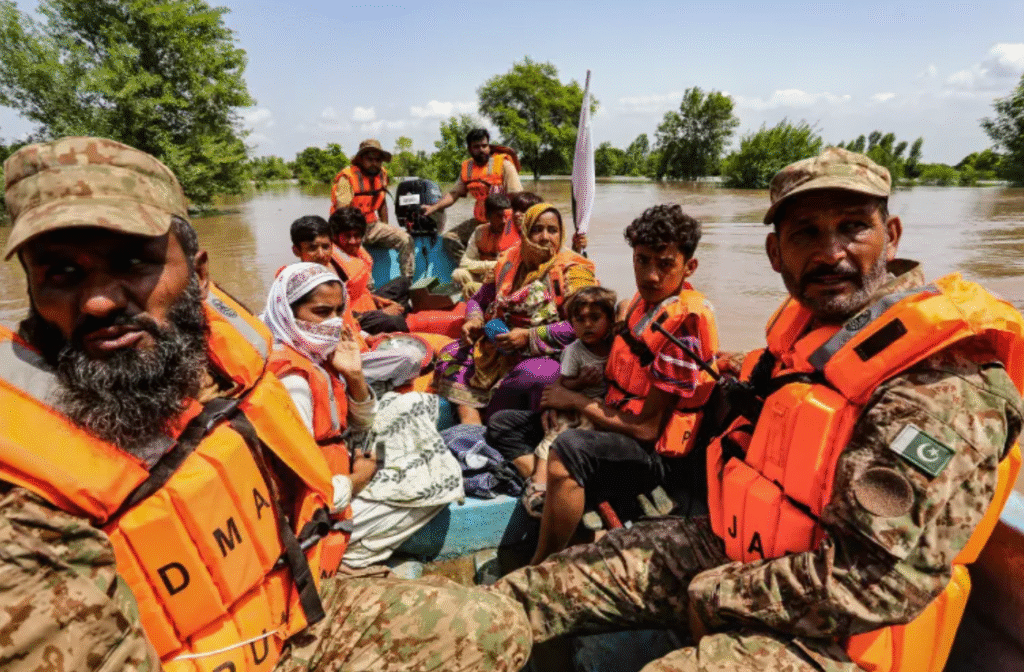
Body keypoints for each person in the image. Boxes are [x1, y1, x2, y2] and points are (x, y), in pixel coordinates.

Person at [0, 136, 531, 672]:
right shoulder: (21, 500)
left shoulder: (225, 366)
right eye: (60, 274)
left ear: (201, 274)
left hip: (287, 604)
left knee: (500, 627)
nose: (98, 301)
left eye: (134, 263)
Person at [492, 147, 1024, 671]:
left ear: (893, 236)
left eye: (853, 227)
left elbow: (877, 582)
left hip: (841, 638)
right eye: (806, 233)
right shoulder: (805, 334)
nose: (831, 252)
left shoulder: (943, 384)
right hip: (742, 545)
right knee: (528, 595)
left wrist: (719, 590)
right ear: (775, 253)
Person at [487, 204, 719, 564]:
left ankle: (541, 564)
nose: (652, 276)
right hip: (612, 417)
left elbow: (646, 430)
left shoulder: (681, 331)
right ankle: (552, 491)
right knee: (505, 424)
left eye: (665, 264)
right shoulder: (642, 306)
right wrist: (565, 398)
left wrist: (575, 402)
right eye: (642, 261)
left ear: (689, 267)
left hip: (650, 455)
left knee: (569, 446)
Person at [262, 263, 463, 568]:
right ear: (286, 311)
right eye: (320, 312)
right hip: (316, 510)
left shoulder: (314, 354)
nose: (332, 323)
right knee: (438, 483)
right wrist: (360, 478)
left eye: (337, 311)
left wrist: (355, 376)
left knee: (406, 405)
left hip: (341, 462)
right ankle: (348, 555)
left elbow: (359, 422)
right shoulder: (293, 383)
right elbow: (303, 488)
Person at [435, 202, 596, 425]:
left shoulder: (574, 271)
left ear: (562, 234)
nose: (545, 237)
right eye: (537, 230)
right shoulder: (508, 261)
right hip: (498, 348)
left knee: (538, 374)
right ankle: (470, 418)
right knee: (450, 354)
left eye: (553, 230)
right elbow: (479, 299)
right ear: (526, 232)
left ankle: (493, 418)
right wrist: (474, 319)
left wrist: (528, 337)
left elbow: (584, 327)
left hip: (549, 353)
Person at [520, 285, 618, 518]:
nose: (588, 325)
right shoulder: (575, 351)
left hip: (605, 407)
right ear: (571, 324)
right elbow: (564, 384)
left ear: (610, 320)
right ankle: (539, 484)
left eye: (595, 318)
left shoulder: (617, 346)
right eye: (580, 319)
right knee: (555, 436)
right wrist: (581, 382)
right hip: (576, 403)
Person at [420, 128, 523, 263]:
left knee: (502, 247)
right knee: (449, 238)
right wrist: (433, 208)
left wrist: (516, 224)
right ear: (469, 149)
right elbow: (454, 193)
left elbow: (517, 196)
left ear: (488, 145)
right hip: (479, 220)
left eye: (484, 146)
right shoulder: (467, 168)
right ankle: (471, 266)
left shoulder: (504, 164)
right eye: (476, 147)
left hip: (502, 220)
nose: (481, 150)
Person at [330, 138, 415, 279]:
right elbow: (341, 214)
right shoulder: (347, 177)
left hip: (371, 225)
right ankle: (367, 291)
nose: (374, 163)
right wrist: (351, 239)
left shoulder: (382, 174)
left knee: (406, 239)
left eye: (378, 160)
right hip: (349, 229)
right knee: (363, 259)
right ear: (360, 159)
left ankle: (406, 281)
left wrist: (385, 227)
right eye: (370, 159)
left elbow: (382, 203)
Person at [328, 206, 409, 335]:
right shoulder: (331, 263)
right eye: (347, 236)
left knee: (403, 283)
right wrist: (381, 313)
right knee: (395, 322)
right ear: (335, 236)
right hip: (352, 316)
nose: (353, 241)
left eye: (357, 236)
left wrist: (378, 300)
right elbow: (337, 311)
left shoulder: (358, 253)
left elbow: (360, 290)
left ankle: (396, 315)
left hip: (366, 302)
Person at [450, 193, 519, 299]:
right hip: (485, 277)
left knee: (471, 287)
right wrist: (493, 265)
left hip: (505, 280)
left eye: (506, 216)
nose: (504, 221)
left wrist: (497, 268)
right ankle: (478, 305)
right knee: (458, 274)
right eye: (499, 216)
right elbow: (464, 263)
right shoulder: (479, 232)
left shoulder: (516, 233)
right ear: (487, 216)